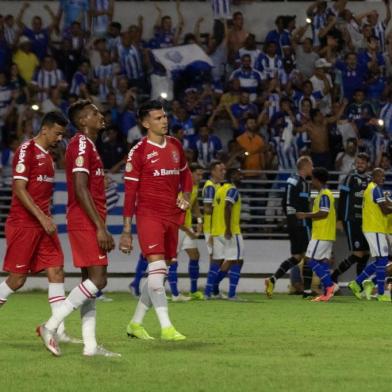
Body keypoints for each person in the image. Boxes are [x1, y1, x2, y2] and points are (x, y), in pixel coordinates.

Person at [38, 100, 118, 357]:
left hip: (85, 218)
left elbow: (86, 185)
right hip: (85, 220)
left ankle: (91, 347)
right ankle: (50, 326)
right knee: (98, 279)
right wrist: (100, 227)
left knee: (88, 283)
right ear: (83, 121)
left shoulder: (86, 145)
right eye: (94, 113)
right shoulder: (82, 144)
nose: (100, 116)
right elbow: (80, 187)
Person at [0, 111, 79, 344]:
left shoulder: (49, 157)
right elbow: (20, 188)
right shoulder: (27, 150)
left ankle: (58, 330)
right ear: (45, 129)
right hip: (24, 224)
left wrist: (46, 219)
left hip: (44, 226)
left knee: (56, 272)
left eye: (62, 135)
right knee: (17, 280)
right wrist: (42, 217)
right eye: (57, 133)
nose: (59, 138)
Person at [119, 100, 193, 341]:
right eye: (158, 118)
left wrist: (187, 196)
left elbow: (186, 174)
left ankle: (135, 323)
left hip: (172, 216)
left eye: (164, 117)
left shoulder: (175, 145)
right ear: (145, 123)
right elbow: (130, 193)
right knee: (157, 268)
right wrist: (127, 230)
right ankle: (167, 326)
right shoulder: (138, 152)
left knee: (158, 274)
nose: (164, 121)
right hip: (149, 216)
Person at [265, 156, 314, 298]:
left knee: (297, 257)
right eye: (311, 166)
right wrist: (294, 218)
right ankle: (307, 291)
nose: (312, 169)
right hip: (300, 223)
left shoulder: (302, 182)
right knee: (307, 256)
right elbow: (287, 202)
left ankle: (272, 279)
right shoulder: (295, 181)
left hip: (296, 223)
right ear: (304, 166)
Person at [348, 168, 392, 302]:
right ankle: (381, 293)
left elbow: (385, 205)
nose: (383, 178)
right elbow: (384, 210)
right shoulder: (375, 189)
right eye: (380, 176)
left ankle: (357, 282)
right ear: (373, 177)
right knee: (383, 260)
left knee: (380, 260)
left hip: (373, 228)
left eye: (384, 176)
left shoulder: (370, 189)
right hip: (375, 228)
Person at [296, 167, 337, 302]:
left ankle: (330, 285)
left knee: (309, 260)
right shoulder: (325, 193)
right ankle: (326, 293)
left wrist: (305, 215)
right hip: (327, 234)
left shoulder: (324, 194)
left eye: (312, 178)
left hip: (321, 234)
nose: (311, 181)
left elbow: (324, 212)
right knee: (323, 262)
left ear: (317, 179)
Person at [332, 153, 370, 284]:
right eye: (358, 162)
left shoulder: (369, 179)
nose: (360, 165)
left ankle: (359, 284)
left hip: (364, 222)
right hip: (351, 219)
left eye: (363, 163)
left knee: (365, 253)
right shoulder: (350, 178)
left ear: (367, 165)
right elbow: (342, 198)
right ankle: (335, 275)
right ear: (355, 163)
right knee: (358, 253)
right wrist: (340, 219)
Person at [170, 163, 204, 301]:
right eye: (198, 174)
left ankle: (194, 290)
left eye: (202, 174)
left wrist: (200, 221)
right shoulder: (181, 189)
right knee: (172, 260)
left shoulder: (194, 188)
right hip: (176, 228)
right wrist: (189, 232)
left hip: (187, 227)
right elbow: (175, 214)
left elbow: (194, 204)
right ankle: (175, 294)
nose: (201, 177)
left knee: (195, 256)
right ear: (190, 174)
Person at [209, 168, 244, 300]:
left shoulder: (220, 190)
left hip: (218, 231)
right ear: (232, 176)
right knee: (238, 260)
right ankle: (231, 294)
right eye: (239, 174)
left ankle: (214, 289)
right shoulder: (232, 190)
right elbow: (228, 206)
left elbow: (213, 210)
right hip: (231, 231)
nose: (241, 177)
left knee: (229, 260)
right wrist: (229, 228)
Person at [203, 161, 226, 298]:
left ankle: (212, 290)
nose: (223, 172)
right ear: (212, 171)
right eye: (220, 170)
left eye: (224, 170)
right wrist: (211, 233)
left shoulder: (218, 186)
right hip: (212, 229)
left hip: (218, 228)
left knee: (219, 260)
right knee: (216, 260)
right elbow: (207, 209)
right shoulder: (210, 187)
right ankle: (209, 291)